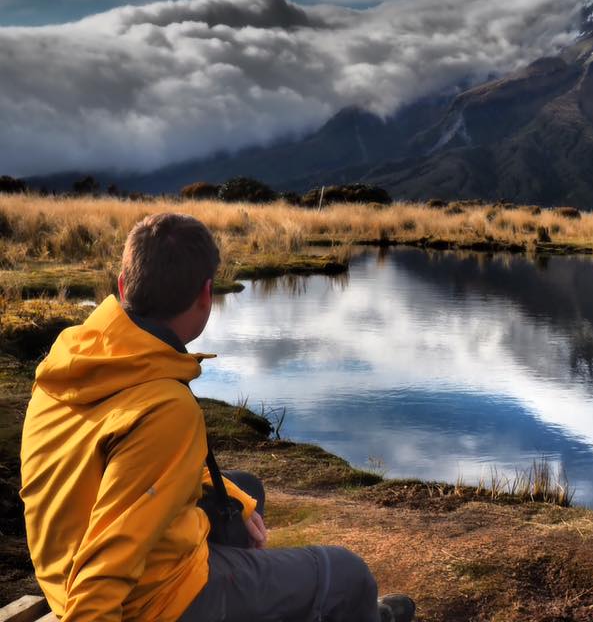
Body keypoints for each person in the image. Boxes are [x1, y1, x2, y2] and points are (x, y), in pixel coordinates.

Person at [20, 212, 414, 622]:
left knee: (245, 492)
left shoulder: (73, 356)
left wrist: (236, 502)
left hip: (59, 569)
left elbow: (128, 467)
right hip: (150, 602)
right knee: (349, 575)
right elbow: (102, 570)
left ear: (123, 284)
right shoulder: (164, 407)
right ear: (207, 294)